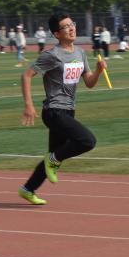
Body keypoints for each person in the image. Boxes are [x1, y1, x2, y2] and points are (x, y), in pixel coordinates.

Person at [16, 12, 105, 206]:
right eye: (66, 27)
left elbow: (89, 83)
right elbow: (26, 75)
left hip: (69, 111)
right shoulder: (52, 55)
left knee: (54, 154)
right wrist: (29, 105)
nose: (71, 28)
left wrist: (98, 71)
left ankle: (28, 188)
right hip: (53, 111)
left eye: (72, 24)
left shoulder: (80, 53)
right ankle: (52, 160)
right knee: (87, 141)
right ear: (57, 34)